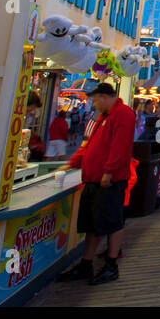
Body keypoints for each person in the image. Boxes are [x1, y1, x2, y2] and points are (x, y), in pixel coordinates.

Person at [57, 83, 136, 285]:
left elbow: (121, 145)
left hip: (110, 180)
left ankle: (111, 265)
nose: (93, 104)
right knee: (93, 223)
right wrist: (70, 164)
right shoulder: (104, 117)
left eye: (94, 99)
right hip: (94, 179)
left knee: (112, 221)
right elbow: (90, 144)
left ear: (104, 97)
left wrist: (109, 171)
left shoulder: (123, 114)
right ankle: (86, 263)